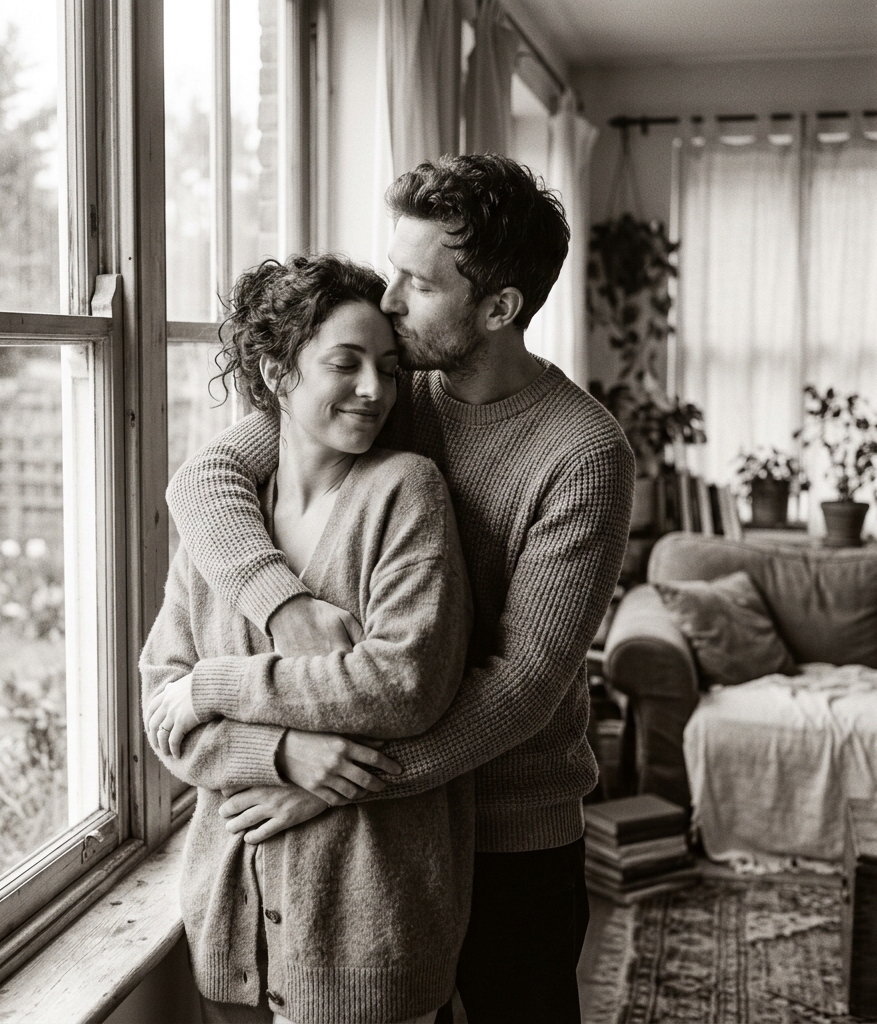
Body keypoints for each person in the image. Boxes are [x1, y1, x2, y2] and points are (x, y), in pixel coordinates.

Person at [166, 154, 636, 1023]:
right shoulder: (392, 387)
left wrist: (335, 780)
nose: (388, 304)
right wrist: (282, 602)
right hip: (382, 841)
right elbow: (203, 483)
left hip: (507, 826)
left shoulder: (584, 454)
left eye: (417, 286)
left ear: (498, 309)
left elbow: (523, 682)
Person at [140, 253, 474, 1024]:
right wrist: (280, 755)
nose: (374, 390)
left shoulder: (405, 491)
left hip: (370, 932)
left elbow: (401, 686)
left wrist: (216, 689)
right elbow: (164, 704)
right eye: (345, 364)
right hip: (230, 933)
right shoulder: (225, 522)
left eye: (389, 369)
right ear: (277, 372)